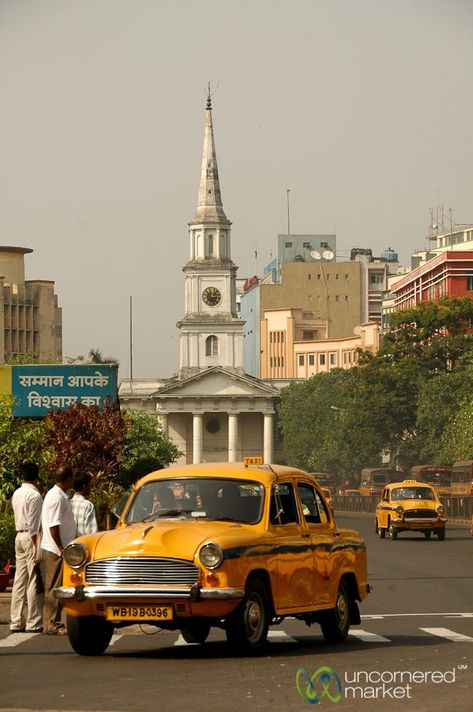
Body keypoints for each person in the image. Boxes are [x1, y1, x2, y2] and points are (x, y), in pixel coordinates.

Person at [40, 466, 76, 635]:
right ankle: (51, 623)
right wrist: (61, 547)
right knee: (54, 586)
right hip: (56, 549)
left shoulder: (58, 495)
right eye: (72, 477)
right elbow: (53, 525)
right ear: (68, 478)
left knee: (57, 585)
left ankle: (54, 621)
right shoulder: (56, 497)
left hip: (58, 547)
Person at [9, 462, 43, 633]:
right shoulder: (34, 495)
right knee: (33, 578)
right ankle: (33, 621)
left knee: (19, 580)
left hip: (19, 536)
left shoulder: (17, 493)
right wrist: (38, 548)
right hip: (31, 537)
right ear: (36, 477)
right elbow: (35, 525)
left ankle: (15, 621)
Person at [70, 471, 98, 537]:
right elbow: (92, 531)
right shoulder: (88, 505)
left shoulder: (68, 503)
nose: (90, 488)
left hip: (68, 545)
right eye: (89, 485)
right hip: (83, 544)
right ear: (84, 486)